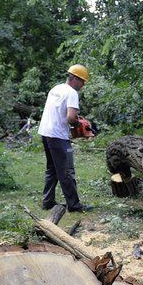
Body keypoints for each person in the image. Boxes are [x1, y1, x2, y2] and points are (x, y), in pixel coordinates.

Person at [39, 64, 94, 212]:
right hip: (58, 136)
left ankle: (48, 201)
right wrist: (78, 124)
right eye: (82, 81)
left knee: (52, 169)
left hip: (45, 132)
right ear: (75, 79)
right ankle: (74, 205)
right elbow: (70, 117)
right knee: (66, 171)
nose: (82, 85)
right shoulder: (71, 93)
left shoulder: (56, 89)